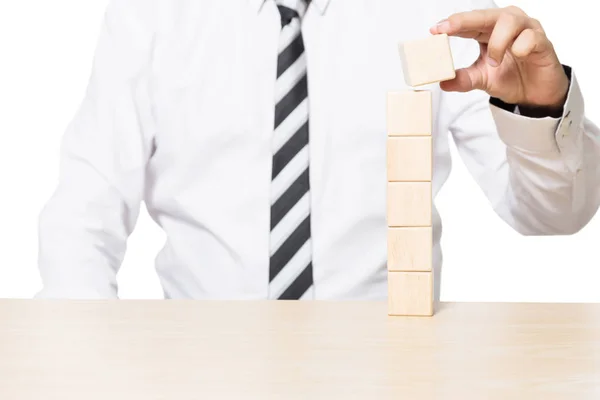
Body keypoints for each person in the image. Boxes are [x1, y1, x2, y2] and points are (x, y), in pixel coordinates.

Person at [36, 0, 600, 300]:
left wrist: (544, 108)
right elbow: (82, 218)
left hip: (391, 371)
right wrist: (86, 363)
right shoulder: (151, 14)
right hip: (205, 368)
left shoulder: (438, 14)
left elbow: (554, 215)